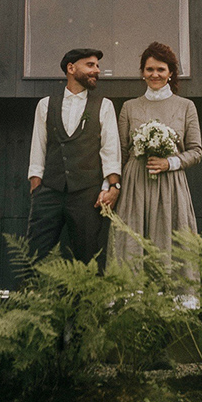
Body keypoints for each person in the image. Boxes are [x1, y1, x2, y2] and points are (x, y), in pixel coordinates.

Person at [26, 47, 121, 268]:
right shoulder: (45, 105)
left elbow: (110, 150)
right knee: (34, 257)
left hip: (87, 195)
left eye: (97, 66)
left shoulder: (104, 106)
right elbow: (38, 148)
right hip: (49, 192)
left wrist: (113, 186)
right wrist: (36, 188)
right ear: (71, 68)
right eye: (90, 65)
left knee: (88, 261)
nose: (97, 70)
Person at [113, 41, 202, 273]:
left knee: (171, 243)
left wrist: (169, 163)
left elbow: (196, 151)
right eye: (149, 69)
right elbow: (121, 151)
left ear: (170, 73)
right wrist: (114, 186)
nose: (155, 74)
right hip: (135, 185)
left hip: (170, 184)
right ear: (142, 72)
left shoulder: (186, 106)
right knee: (132, 242)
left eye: (161, 69)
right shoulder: (129, 107)